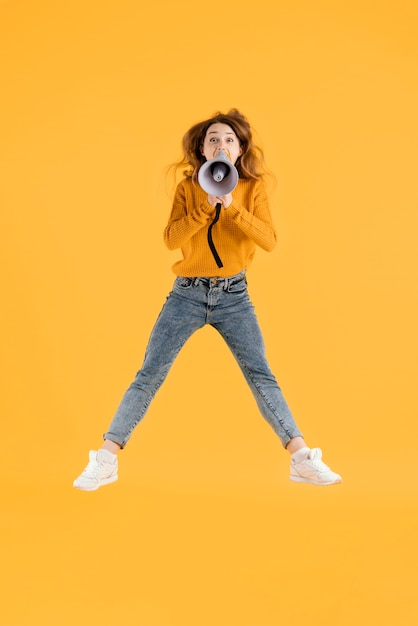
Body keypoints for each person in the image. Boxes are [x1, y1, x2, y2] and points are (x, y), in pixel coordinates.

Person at [73, 109, 342, 491]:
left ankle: (301, 459)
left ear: (240, 148)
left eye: (229, 139)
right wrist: (205, 206)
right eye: (213, 139)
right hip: (188, 295)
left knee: (261, 375)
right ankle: (105, 459)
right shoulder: (189, 187)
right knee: (149, 375)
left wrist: (232, 206)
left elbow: (269, 240)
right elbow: (171, 240)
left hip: (234, 296)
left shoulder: (253, 187)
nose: (221, 144)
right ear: (202, 148)